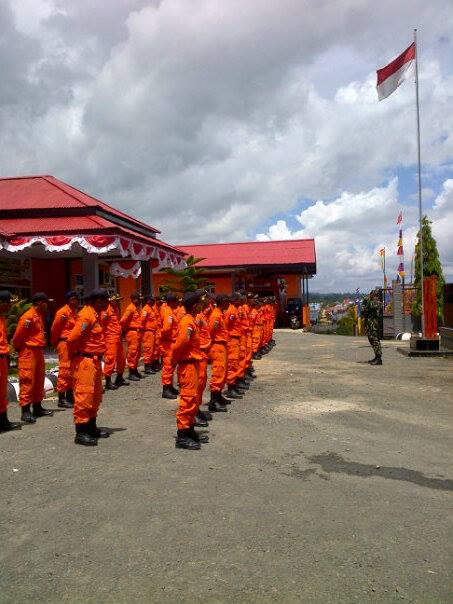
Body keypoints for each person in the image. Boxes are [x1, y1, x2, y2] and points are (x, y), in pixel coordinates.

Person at [67, 288, 110, 446]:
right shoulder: (86, 316)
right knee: (84, 396)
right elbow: (73, 339)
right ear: (98, 301)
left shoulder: (94, 314)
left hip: (94, 361)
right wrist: (75, 355)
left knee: (95, 396)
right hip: (85, 361)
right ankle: (81, 431)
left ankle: (91, 427)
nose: (108, 303)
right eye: (106, 300)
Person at [172, 290, 207, 450]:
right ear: (194, 306)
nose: (202, 305)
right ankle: (182, 435)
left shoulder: (191, 320)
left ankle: (190, 429)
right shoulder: (187, 322)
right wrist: (180, 360)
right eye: (200, 303)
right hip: (187, 365)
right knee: (187, 400)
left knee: (192, 399)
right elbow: (180, 345)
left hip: (193, 364)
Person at [12, 292, 54, 424]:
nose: (47, 305)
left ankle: (37, 407)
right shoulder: (28, 317)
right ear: (40, 303)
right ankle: (25, 411)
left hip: (38, 351)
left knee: (38, 379)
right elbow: (18, 337)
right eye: (46, 302)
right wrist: (21, 349)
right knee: (27, 380)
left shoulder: (39, 316)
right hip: (28, 352)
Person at [50, 290, 79, 407]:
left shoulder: (74, 312)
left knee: (72, 371)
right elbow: (55, 329)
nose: (76, 301)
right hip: (64, 343)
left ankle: (70, 396)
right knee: (65, 370)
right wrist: (54, 343)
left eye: (76, 299)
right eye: (73, 299)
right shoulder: (63, 312)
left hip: (72, 344)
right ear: (68, 300)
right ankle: (61, 398)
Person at [0, 291, 21, 432]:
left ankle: (3, 422)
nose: (9, 306)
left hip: (2, 359)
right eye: (8, 302)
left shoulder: (2, 319)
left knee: (2, 392)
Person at [207, 294, 229, 412]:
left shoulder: (220, 313)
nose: (228, 303)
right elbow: (210, 331)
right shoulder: (215, 315)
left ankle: (218, 396)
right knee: (218, 372)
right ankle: (213, 401)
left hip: (222, 346)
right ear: (222, 302)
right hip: (217, 346)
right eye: (226, 301)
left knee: (223, 372)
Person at [102, 294, 128, 389]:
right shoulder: (106, 311)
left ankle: (119, 378)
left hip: (118, 338)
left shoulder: (116, 309)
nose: (118, 302)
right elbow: (102, 325)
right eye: (116, 300)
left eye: (118, 300)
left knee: (121, 358)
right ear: (111, 300)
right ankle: (108, 381)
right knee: (110, 359)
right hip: (110, 339)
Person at [120, 292, 144, 381]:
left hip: (137, 332)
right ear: (134, 299)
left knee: (137, 353)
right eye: (139, 299)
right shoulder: (130, 308)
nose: (140, 301)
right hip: (132, 333)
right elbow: (122, 321)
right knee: (132, 352)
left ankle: (134, 370)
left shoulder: (136, 308)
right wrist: (126, 329)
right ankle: (131, 372)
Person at [224, 294, 244, 399]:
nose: (241, 301)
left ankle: (234, 384)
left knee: (235, 363)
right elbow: (226, 325)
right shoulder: (231, 311)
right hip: (231, 340)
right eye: (239, 299)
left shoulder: (234, 309)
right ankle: (231, 388)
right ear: (235, 300)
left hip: (235, 339)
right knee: (232, 364)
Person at [160, 292, 179, 399]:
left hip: (170, 342)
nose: (177, 303)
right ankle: (166, 389)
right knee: (168, 366)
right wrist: (162, 336)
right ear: (171, 302)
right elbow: (167, 328)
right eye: (176, 301)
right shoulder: (168, 311)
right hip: (168, 343)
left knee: (171, 366)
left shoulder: (169, 310)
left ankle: (170, 386)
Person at [361, 288, 383, 365]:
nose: (375, 297)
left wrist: (366, 301)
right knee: (371, 340)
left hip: (374, 325)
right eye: (374, 295)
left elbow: (369, 307)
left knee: (375, 341)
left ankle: (379, 358)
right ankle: (376, 357)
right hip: (370, 325)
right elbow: (363, 311)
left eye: (376, 295)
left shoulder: (377, 303)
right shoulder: (372, 302)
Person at [141, 295, 159, 374]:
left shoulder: (151, 309)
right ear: (148, 301)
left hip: (152, 332)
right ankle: (147, 367)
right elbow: (142, 321)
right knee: (148, 350)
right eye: (152, 300)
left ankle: (151, 365)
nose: (153, 302)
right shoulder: (145, 309)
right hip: (147, 332)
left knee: (152, 350)